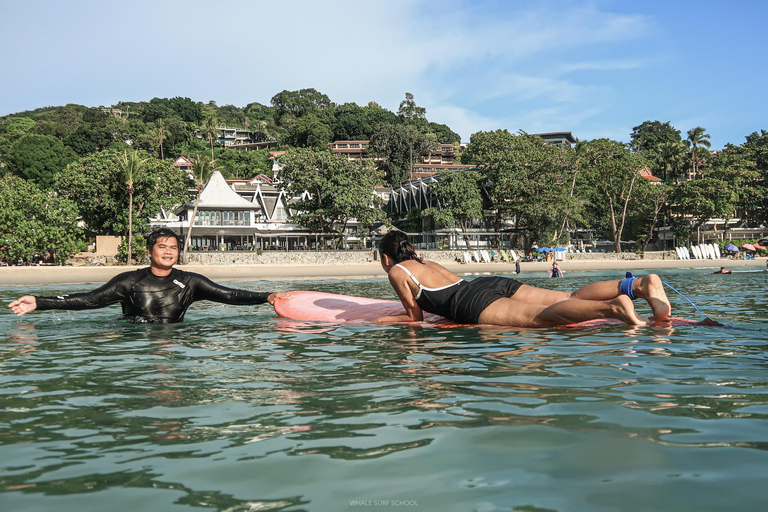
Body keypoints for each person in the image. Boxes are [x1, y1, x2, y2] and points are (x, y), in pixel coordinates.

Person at [374, 230, 671, 327]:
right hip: (486, 284)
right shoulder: (425, 261)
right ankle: (638, 286)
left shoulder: (398, 271)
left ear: (386, 258)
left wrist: (382, 321)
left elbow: (415, 317)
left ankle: (614, 308)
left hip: (472, 303)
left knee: (540, 319)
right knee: (567, 297)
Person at [9, 228, 292, 323]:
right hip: (134, 344)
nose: (168, 252)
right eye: (162, 246)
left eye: (173, 248)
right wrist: (39, 301)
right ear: (149, 250)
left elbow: (228, 295)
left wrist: (267, 296)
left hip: (175, 341)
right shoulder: (128, 281)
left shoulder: (190, 282)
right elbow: (89, 300)